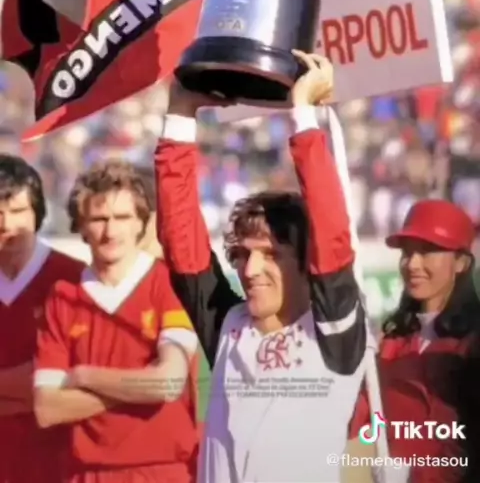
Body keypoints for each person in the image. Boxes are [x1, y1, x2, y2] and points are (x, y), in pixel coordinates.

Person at [156, 51, 367, 483]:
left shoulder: (335, 335)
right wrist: (180, 114)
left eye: (272, 255)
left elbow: (331, 234)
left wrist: (303, 115)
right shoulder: (228, 326)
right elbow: (181, 244)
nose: (250, 270)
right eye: (242, 254)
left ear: (307, 263)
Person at [33, 159, 200, 483]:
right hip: (86, 475)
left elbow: (168, 384)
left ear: (141, 222)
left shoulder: (170, 284)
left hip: (162, 472)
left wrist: (84, 376)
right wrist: (140, 386)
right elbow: (47, 409)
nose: (111, 231)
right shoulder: (62, 297)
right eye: (99, 219)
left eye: (122, 217)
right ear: (81, 226)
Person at [349, 198, 480, 481]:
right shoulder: (389, 343)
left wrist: (415, 475)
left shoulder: (472, 343)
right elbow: (356, 420)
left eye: (427, 251)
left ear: (461, 262)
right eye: (407, 252)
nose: (412, 264)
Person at [0, 154, 84, 483]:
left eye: (18, 211)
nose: (6, 224)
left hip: (54, 463)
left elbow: (69, 381)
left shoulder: (73, 279)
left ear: (37, 213)